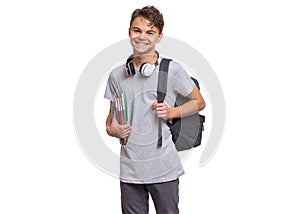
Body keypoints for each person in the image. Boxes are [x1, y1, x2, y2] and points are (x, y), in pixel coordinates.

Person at [104, 5, 205, 214]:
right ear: (129, 32)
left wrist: (172, 112)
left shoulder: (171, 70)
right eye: (137, 30)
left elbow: (199, 102)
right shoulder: (116, 76)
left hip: (164, 170)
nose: (142, 37)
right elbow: (109, 123)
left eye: (150, 32)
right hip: (130, 172)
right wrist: (115, 130)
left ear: (159, 37)